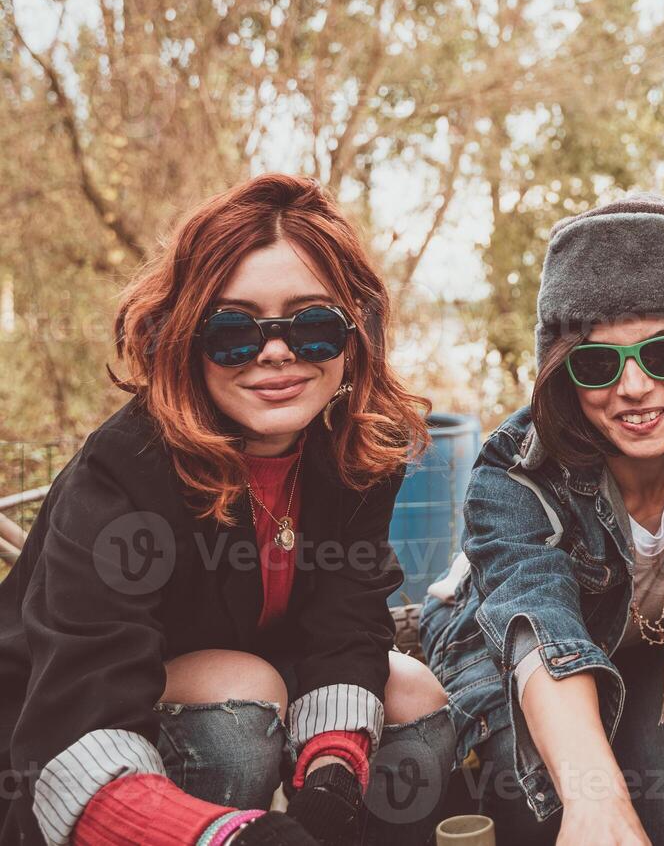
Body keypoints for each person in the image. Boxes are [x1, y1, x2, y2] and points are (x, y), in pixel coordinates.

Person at [0, 174, 456, 846]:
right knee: (242, 695)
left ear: (356, 335)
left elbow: (345, 625)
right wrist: (231, 836)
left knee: (412, 692)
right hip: (56, 741)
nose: (277, 352)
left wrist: (333, 766)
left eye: (314, 325)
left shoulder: (354, 450)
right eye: (235, 331)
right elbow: (75, 720)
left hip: (251, 686)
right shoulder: (122, 473)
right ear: (186, 339)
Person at [418, 195, 664, 846]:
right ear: (564, 374)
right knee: (539, 796)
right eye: (598, 363)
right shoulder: (511, 472)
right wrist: (595, 800)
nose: (635, 387)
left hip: (641, 653)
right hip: (503, 649)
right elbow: (538, 629)